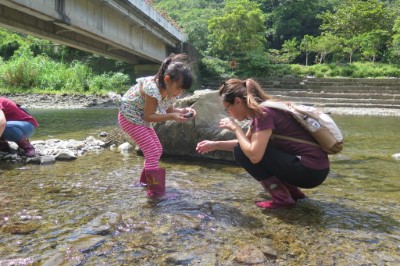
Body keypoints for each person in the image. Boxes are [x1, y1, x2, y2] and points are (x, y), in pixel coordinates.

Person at [196, 78, 330, 209]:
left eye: (227, 108)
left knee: (241, 152)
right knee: (242, 149)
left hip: (309, 171)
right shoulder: (265, 111)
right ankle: (293, 194)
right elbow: (246, 143)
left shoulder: (264, 114)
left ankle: (282, 198)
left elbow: (254, 155)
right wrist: (215, 144)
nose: (229, 113)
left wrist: (236, 128)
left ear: (238, 102)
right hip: (316, 169)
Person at [108, 53, 195, 197]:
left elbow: (168, 109)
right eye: (179, 88)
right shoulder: (152, 89)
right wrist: (172, 117)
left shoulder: (167, 90)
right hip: (129, 117)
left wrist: (183, 110)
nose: (180, 92)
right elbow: (148, 116)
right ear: (167, 79)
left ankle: (144, 183)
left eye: (182, 90)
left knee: (157, 150)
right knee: (152, 152)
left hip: (140, 119)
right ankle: (154, 193)